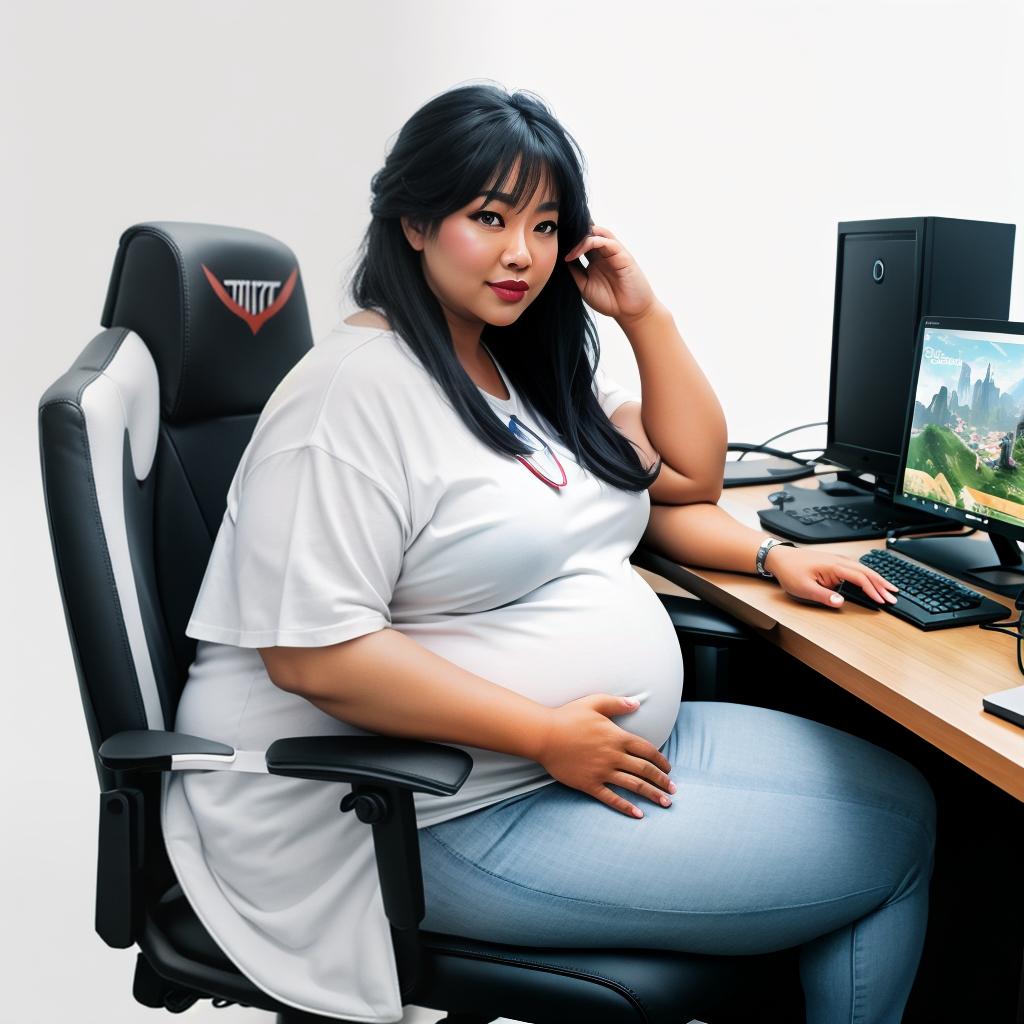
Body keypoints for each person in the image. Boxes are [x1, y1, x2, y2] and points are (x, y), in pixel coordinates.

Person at [162, 82, 936, 1024]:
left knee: (912, 797)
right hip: (415, 810)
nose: (521, 254)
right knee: (892, 850)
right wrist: (542, 735)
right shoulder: (351, 398)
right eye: (488, 218)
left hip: (548, 762)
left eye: (544, 223)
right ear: (414, 218)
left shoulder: (502, 361)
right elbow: (313, 654)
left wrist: (643, 316)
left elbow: (683, 475)